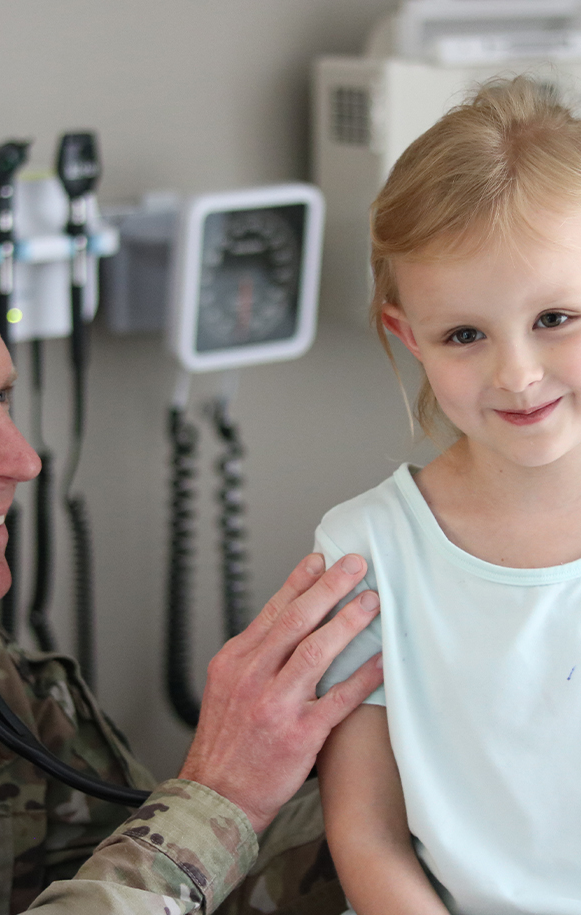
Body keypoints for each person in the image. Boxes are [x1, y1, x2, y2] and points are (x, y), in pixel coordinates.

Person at [0, 218, 384, 915]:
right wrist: (220, 794)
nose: (20, 459)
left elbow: (177, 886)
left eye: (2, 399)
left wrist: (391, 787)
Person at [314, 74, 581, 915]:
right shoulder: (369, 552)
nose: (518, 373)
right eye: (465, 334)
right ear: (407, 336)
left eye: (557, 318)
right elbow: (368, 834)